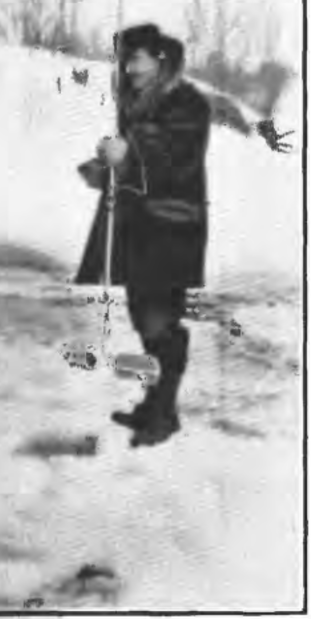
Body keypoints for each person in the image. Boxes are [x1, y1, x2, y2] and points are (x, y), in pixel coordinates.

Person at [76, 23, 211, 447]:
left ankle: (165, 414)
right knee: (143, 318)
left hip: (171, 230)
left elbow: (175, 159)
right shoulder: (137, 104)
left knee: (160, 322)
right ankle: (153, 405)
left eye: (135, 59)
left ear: (160, 59)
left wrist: (129, 154)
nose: (129, 68)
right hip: (142, 230)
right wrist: (107, 168)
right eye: (125, 60)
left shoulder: (187, 101)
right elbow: (137, 163)